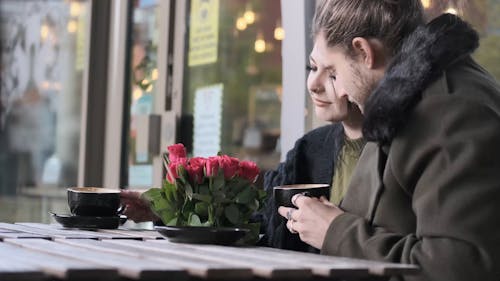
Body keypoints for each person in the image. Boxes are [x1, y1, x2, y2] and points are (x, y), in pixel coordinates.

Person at [277, 1, 500, 280]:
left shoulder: (448, 111)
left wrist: (335, 232)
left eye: (334, 73)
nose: (341, 91)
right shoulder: (401, 104)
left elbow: (459, 267)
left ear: (363, 52)